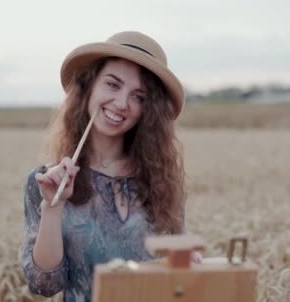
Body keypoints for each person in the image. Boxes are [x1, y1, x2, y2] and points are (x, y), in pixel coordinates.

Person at [18, 31, 194, 300]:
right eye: (113, 85)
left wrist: (189, 264)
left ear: (149, 111)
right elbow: (45, 285)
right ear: (89, 86)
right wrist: (52, 208)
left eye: (139, 96)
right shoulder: (46, 182)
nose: (122, 103)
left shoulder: (162, 181)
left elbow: (176, 272)